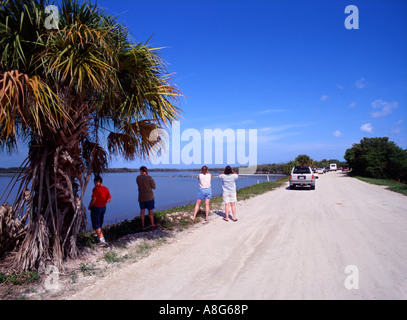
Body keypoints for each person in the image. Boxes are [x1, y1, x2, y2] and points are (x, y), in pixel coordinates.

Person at [88, 175, 111, 245]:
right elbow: (109, 199)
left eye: (95, 182)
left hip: (96, 208)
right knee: (100, 222)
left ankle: (102, 240)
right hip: (103, 208)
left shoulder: (96, 189)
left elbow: (94, 199)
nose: (95, 184)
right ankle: (99, 237)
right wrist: (103, 202)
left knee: (96, 224)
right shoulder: (106, 189)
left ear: (98, 182)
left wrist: (90, 206)